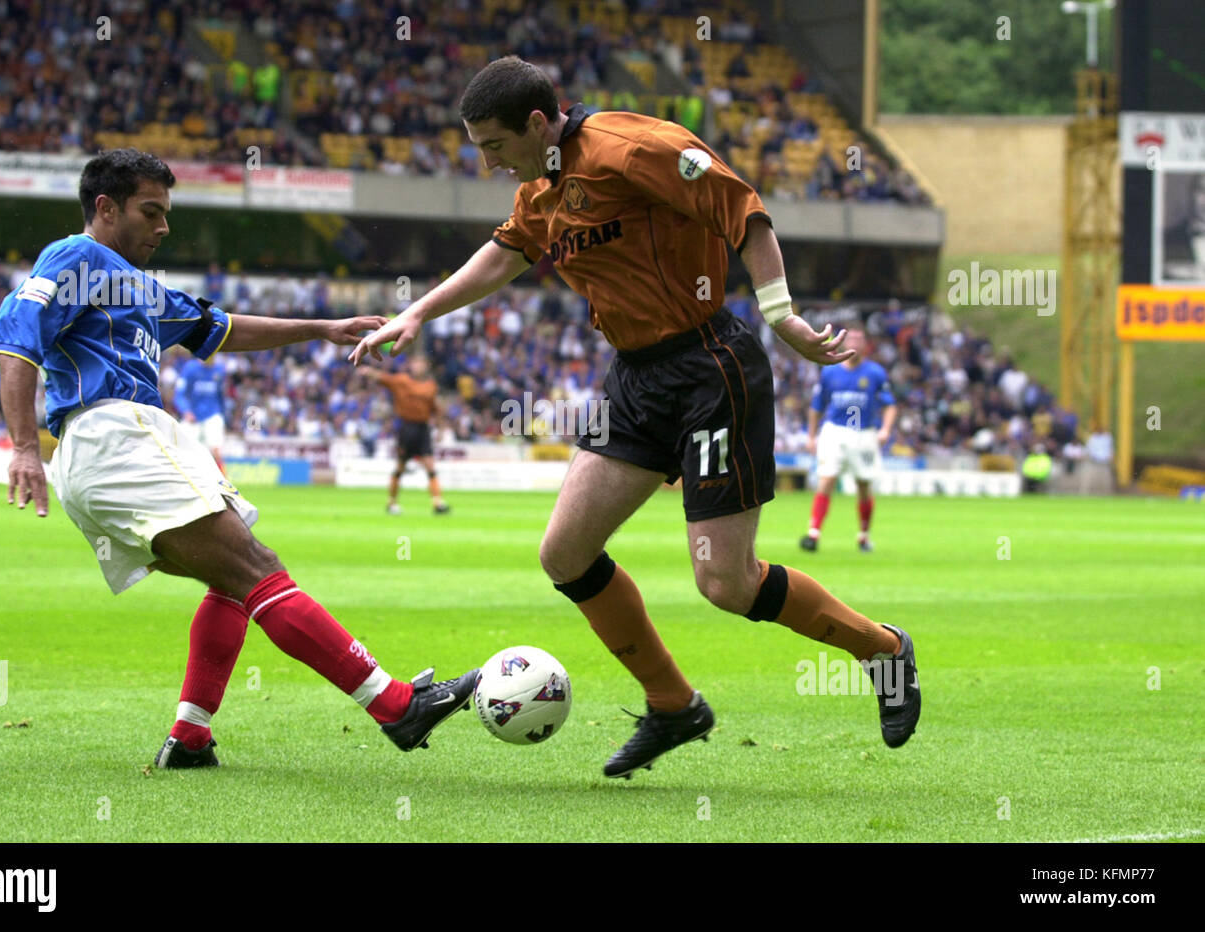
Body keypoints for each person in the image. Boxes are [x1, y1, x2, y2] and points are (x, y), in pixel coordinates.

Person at [349, 58, 921, 779]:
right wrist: (416, 313)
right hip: (637, 379)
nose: (487, 162)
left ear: (535, 123)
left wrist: (783, 315)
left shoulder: (632, 147)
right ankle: (674, 705)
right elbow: (502, 258)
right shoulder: (542, 189)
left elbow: (743, 208)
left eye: (492, 146)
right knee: (565, 553)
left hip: (712, 368)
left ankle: (883, 651)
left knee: (726, 584)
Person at [0, 149, 478, 769]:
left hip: (117, 445)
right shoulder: (74, 258)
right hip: (116, 432)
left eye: (168, 212)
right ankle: (396, 705)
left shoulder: (140, 288)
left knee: (232, 576)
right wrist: (24, 449)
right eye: (151, 212)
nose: (164, 227)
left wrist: (321, 328)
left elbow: (219, 328)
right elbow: (15, 343)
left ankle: (189, 738)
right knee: (257, 567)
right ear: (104, 208)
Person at [799, 329, 897, 553]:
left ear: (865, 345)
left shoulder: (875, 373)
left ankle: (863, 536)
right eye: (851, 339)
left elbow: (889, 404)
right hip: (834, 431)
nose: (855, 343)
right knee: (827, 480)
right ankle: (813, 533)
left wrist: (885, 430)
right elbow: (817, 406)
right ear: (843, 343)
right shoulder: (829, 371)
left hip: (864, 433)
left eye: (859, 340)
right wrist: (811, 436)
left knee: (863, 485)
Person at [358, 354, 450, 514]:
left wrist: (441, 430)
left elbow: (437, 410)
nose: (418, 367)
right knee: (400, 467)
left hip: (423, 429)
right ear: (411, 365)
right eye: (416, 363)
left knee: (430, 465)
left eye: (421, 364)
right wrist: (368, 371)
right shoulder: (401, 381)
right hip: (407, 428)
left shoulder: (431, 386)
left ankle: (437, 502)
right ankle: (392, 502)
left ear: (426, 366)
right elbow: (383, 378)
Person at [172, 353, 229, 472]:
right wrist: (186, 411)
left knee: (216, 450)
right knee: (184, 450)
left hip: (213, 414)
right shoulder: (190, 368)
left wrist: (224, 418)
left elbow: (220, 396)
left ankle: (224, 484)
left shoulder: (219, 370)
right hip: (193, 417)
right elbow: (179, 395)